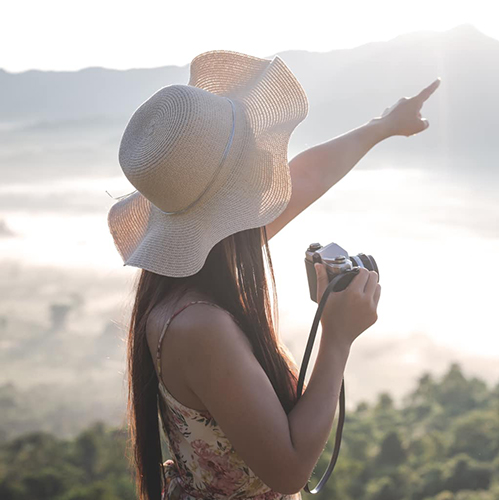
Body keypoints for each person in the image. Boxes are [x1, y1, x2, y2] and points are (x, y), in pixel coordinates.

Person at [108, 50, 439, 499]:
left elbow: (307, 177)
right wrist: (337, 336)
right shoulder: (201, 326)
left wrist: (383, 126)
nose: (273, 172)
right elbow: (288, 470)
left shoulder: (199, 264)